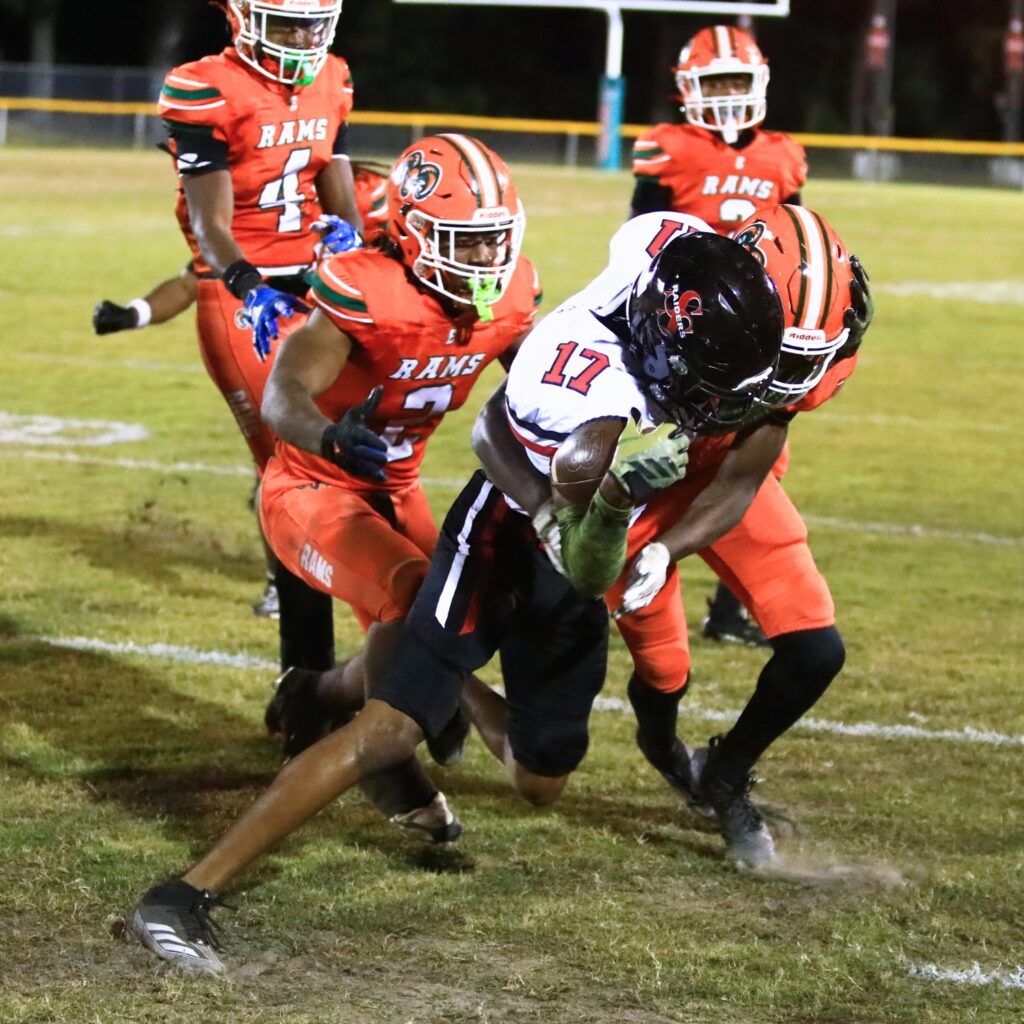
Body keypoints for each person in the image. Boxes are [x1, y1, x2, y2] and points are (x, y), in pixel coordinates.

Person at [121, 228, 783, 974]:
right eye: (708, 377)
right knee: (387, 733)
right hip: (507, 531)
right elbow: (565, 529)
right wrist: (606, 497)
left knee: (541, 778)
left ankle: (405, 677)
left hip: (559, 548)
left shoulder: (650, 261)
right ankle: (181, 897)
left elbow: (672, 243)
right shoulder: (580, 393)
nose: (722, 400)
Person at [474, 205, 872, 867]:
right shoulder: (649, 300)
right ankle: (662, 750)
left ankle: (725, 773)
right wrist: (554, 510)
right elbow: (496, 419)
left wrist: (670, 550)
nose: (794, 379)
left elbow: (744, 474)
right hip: (635, 493)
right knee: (665, 670)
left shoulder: (799, 360)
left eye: (810, 358)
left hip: (718, 480)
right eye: (784, 354)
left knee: (816, 650)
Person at [149, 0, 362, 666]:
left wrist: (354, 242)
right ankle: (305, 669)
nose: (303, 37)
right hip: (243, 292)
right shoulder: (204, 85)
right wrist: (247, 284)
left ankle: (377, 623)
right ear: (244, 18)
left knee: (351, 445)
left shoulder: (333, 75)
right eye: (287, 22)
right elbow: (209, 220)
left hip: (316, 280)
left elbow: (333, 165)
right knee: (291, 456)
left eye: (311, 22)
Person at [630, 24, 808, 647]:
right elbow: (639, 240)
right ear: (687, 89)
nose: (729, 93)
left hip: (760, 332)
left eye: (738, 80)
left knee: (761, 468)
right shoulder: (668, 147)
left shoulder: (782, 154)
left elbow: (795, 239)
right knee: (654, 455)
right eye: (716, 82)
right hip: (680, 326)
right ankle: (621, 570)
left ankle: (731, 609)